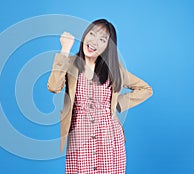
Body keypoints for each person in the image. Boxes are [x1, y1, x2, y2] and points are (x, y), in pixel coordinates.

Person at [47, 19, 153, 173]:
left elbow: (146, 89)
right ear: (85, 35)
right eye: (92, 34)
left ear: (107, 47)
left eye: (102, 39)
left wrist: (116, 103)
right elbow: (54, 87)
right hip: (80, 138)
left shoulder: (114, 69)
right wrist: (64, 50)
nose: (94, 41)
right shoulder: (70, 64)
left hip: (109, 138)